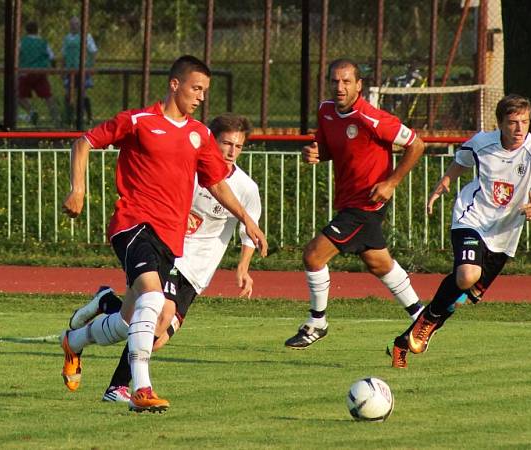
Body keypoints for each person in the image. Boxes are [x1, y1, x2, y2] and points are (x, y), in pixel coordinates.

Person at [60, 55, 267, 413]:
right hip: (133, 223)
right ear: (175, 84)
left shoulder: (199, 135)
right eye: (196, 88)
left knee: (129, 321)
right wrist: (78, 189)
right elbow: (84, 143)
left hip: (170, 240)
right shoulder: (139, 121)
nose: (201, 96)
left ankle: (74, 341)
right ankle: (139, 388)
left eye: (205, 90)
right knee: (154, 301)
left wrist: (247, 221)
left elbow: (216, 183)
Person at [387, 94, 531, 368]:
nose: (519, 129)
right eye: (512, 122)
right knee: (467, 275)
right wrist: (445, 181)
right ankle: (428, 319)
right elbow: (462, 159)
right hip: (471, 219)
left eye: (524, 122)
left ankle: (404, 341)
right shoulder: (482, 143)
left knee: (463, 296)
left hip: (504, 236)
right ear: (499, 123)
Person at [284, 58, 427, 349]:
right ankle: (422, 317)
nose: (340, 87)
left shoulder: (371, 117)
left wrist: (391, 183)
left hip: (366, 203)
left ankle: (317, 322)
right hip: (348, 201)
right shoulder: (326, 111)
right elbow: (329, 148)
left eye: (347, 81)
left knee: (313, 255)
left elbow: (417, 144)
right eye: (335, 81)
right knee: (378, 262)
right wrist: (314, 153)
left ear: (359, 86)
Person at [18, 21, 59, 126]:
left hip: (25, 72)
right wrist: (54, 68)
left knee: (19, 96)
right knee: (48, 97)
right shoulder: (43, 43)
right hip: (40, 73)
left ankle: (31, 111)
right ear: (37, 30)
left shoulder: (22, 42)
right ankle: (56, 118)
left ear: (26, 30)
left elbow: (17, 54)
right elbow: (52, 57)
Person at [62, 16, 98, 125]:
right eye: (72, 24)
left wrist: (90, 66)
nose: (73, 26)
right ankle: (69, 118)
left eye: (76, 24)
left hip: (82, 69)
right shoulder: (67, 38)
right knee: (69, 94)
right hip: (70, 70)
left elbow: (93, 51)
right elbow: (64, 55)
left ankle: (87, 117)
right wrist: (63, 69)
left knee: (83, 93)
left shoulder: (87, 37)